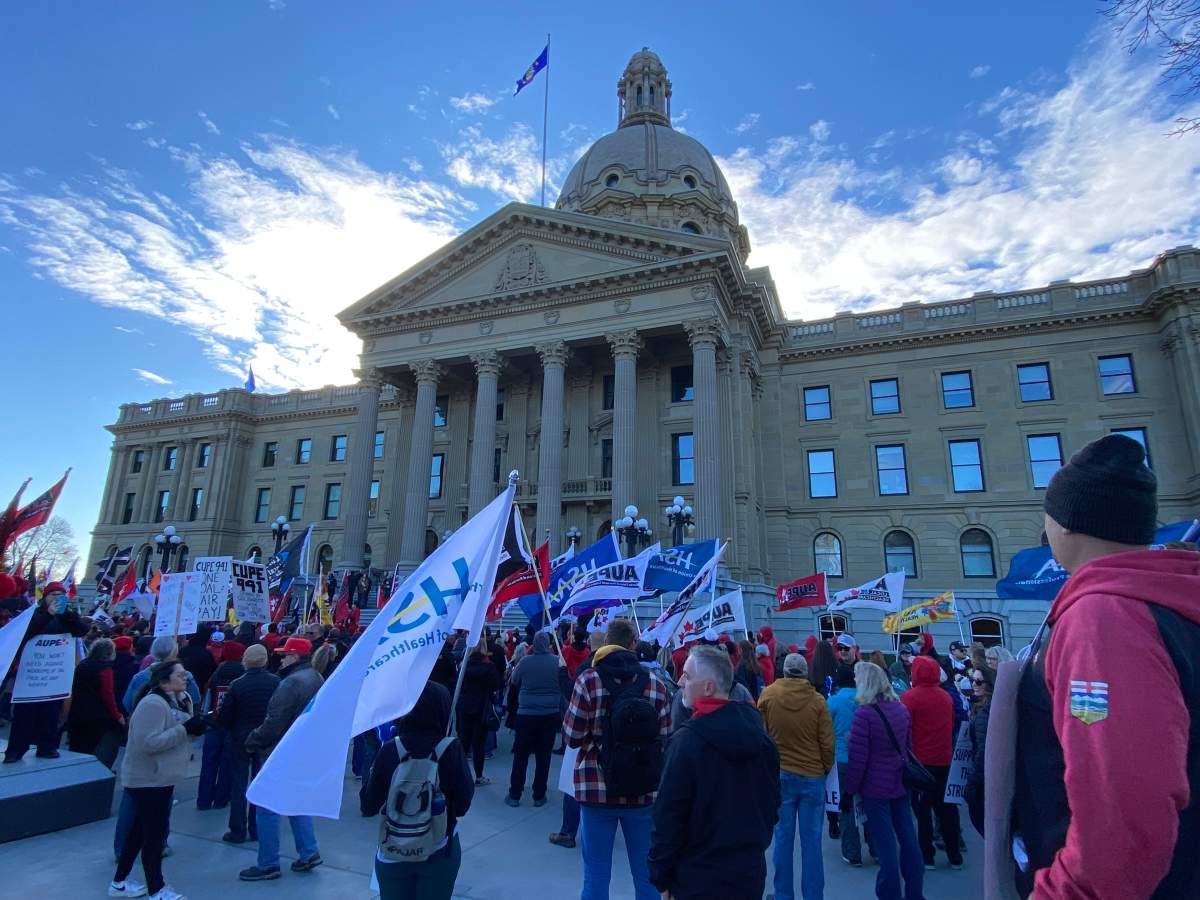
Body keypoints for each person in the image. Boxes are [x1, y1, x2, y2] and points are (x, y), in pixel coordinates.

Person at [1011, 434, 1200, 898]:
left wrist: (1066, 891)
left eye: (1048, 516)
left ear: (1069, 524)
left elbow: (1125, 803)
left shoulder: (1105, 617)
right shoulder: (1160, 599)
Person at [649, 645, 779, 900]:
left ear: (708, 687)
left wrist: (660, 876)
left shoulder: (686, 742)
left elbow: (668, 818)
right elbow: (771, 808)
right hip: (748, 875)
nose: (680, 681)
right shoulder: (763, 741)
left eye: (687, 675)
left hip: (696, 879)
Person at [562, 618, 671, 900]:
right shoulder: (657, 686)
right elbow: (667, 738)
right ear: (633, 643)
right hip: (642, 790)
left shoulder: (588, 680)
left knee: (595, 876)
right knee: (645, 876)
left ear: (606, 642)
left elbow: (572, 737)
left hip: (595, 787)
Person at [361, 680, 474, 900]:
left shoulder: (391, 748)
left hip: (393, 849)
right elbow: (462, 804)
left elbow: (368, 803)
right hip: (439, 847)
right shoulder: (450, 748)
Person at [109, 659, 208, 900]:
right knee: (153, 835)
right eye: (181, 675)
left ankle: (119, 882)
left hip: (160, 777)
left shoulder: (179, 700)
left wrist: (194, 726)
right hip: (148, 778)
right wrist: (185, 729)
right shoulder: (153, 704)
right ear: (165, 680)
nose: (186, 678)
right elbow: (149, 743)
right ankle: (156, 888)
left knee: (139, 832)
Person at [240, 637, 324, 881]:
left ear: (295, 657)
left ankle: (268, 863)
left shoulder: (291, 683)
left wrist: (253, 739)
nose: (280, 658)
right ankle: (309, 851)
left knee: (265, 805)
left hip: (281, 750)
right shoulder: (315, 677)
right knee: (297, 801)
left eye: (285, 655)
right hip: (303, 750)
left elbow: (274, 721)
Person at [843, 662, 924, 900]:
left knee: (886, 847)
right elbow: (907, 748)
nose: (856, 681)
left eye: (858, 678)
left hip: (875, 788)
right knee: (908, 839)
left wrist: (849, 790)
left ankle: (889, 894)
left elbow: (859, 760)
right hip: (899, 781)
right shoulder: (900, 709)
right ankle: (915, 893)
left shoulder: (864, 715)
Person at [757, 652, 835, 900]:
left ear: (784, 671)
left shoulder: (768, 695)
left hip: (781, 775)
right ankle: (813, 896)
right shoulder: (817, 701)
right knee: (812, 842)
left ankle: (782, 895)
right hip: (812, 775)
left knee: (782, 840)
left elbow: (762, 737)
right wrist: (823, 767)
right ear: (805, 672)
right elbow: (827, 743)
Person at [3, 581, 88, 762]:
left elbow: (81, 630)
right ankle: (16, 749)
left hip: (54, 674)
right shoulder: (34, 614)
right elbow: (26, 633)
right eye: (53, 595)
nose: (57, 599)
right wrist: (48, 615)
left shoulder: (67, 617)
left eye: (60, 596)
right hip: (33, 674)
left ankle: (46, 747)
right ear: (45, 598)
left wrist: (66, 614)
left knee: (50, 715)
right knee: (24, 716)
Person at [898, 654, 962, 871]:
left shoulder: (909, 698)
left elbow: (905, 730)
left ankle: (927, 856)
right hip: (943, 759)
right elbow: (952, 725)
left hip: (920, 761)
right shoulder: (946, 697)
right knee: (947, 810)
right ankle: (954, 855)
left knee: (923, 811)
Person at [217, 643, 279, 844]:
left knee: (239, 784)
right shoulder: (275, 682)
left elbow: (226, 715)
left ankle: (237, 829)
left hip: (240, 737)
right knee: (259, 783)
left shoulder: (237, 684)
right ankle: (256, 828)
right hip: (265, 737)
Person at [505, 632, 560, 807]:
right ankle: (539, 794)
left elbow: (514, 680)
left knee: (520, 756)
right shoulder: (557, 662)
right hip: (549, 713)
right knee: (544, 757)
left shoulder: (525, 661)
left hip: (526, 713)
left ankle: (514, 794)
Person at [827, 664, 869, 866]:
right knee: (869, 804)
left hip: (842, 759)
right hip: (866, 759)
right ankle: (876, 846)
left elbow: (825, 730)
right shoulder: (866, 699)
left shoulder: (833, 701)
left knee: (846, 806)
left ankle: (852, 852)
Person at [196, 641, 245, 811]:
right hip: (233, 724)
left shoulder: (216, 674)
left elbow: (207, 698)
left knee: (208, 763)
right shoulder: (243, 674)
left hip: (213, 722)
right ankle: (221, 798)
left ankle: (203, 799)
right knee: (227, 762)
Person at [66, 637, 125, 769]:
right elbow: (107, 695)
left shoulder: (83, 664)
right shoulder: (105, 669)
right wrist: (117, 715)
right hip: (96, 715)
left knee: (76, 748)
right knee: (92, 749)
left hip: (77, 711)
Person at [455, 646, 501, 786]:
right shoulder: (489, 666)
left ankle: (459, 774)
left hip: (465, 707)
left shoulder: (463, 666)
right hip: (482, 708)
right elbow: (495, 685)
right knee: (479, 745)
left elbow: (458, 685)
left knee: (464, 742)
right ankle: (479, 776)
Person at [123, 637, 201, 714]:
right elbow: (195, 701)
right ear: (175, 652)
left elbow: (128, 705)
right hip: (177, 723)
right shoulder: (185, 675)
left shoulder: (139, 677)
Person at [963, 663, 992, 838]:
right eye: (972, 680)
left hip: (984, 782)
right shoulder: (980, 707)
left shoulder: (985, 713)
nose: (974, 684)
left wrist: (972, 784)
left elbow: (983, 753)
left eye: (979, 682)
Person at [178, 628, 217, 696]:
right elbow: (210, 672)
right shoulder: (206, 653)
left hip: (181, 686)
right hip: (199, 687)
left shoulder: (183, 650)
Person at [112, 635, 141, 714]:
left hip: (111, 704)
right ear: (129, 648)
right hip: (126, 702)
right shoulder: (134, 665)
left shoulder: (109, 663)